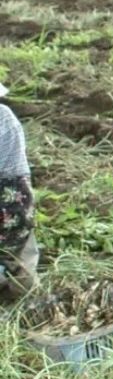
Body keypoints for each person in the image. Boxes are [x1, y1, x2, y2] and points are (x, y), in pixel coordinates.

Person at [0, 82, 39, 297]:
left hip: (9, 201)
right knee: (20, 262)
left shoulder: (3, 119)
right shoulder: (5, 116)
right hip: (17, 203)